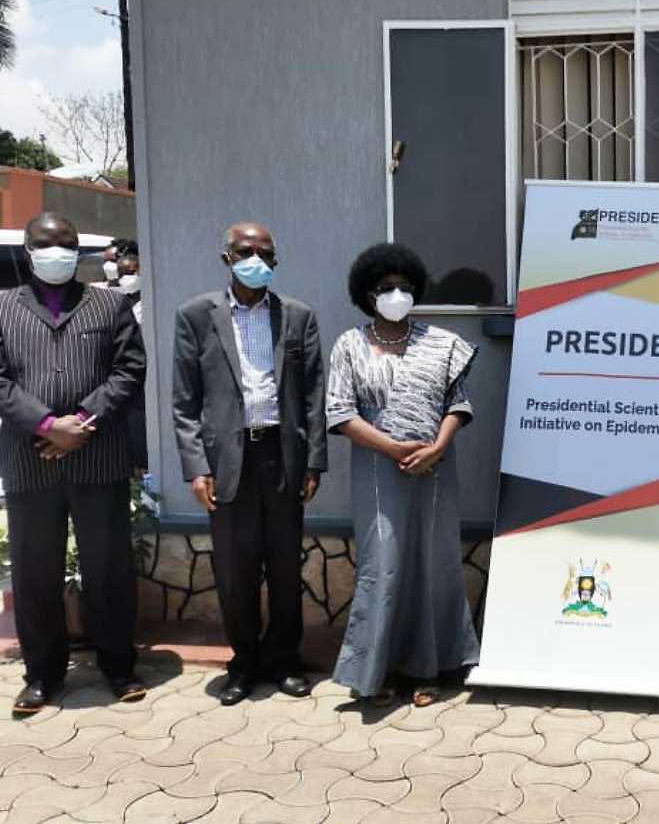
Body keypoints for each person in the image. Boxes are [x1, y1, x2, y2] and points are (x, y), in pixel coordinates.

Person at [172, 222, 327, 706]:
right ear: (226, 257)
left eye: (264, 252)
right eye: (245, 251)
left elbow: (314, 396)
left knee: (284, 568)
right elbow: (184, 401)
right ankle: (242, 664)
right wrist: (197, 466)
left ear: (276, 261)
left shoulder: (297, 317)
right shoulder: (196, 315)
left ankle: (284, 662)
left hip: (282, 457)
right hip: (227, 462)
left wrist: (314, 462)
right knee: (236, 573)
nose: (255, 259)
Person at [0, 213, 147, 715]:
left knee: (108, 567)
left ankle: (118, 665)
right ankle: (42, 674)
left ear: (79, 250)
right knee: (35, 571)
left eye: (66, 243)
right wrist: (47, 425)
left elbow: (131, 368)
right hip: (30, 459)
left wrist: (83, 421)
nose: (56, 251)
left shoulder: (109, 303)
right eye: (46, 243)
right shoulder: (3, 307)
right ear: (27, 249)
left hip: (97, 454)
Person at [326, 243, 481, 707]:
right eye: (386, 287)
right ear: (366, 293)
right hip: (377, 469)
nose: (396, 294)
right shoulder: (349, 345)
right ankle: (377, 671)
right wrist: (390, 446)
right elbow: (338, 412)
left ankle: (429, 669)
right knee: (384, 565)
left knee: (433, 563)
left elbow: (459, 402)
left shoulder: (440, 343)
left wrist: (437, 446)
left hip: (434, 469)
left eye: (405, 287)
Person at [116, 252, 147, 470]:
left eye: (130, 272)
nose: (125, 278)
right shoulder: (118, 303)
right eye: (122, 274)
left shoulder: (150, 303)